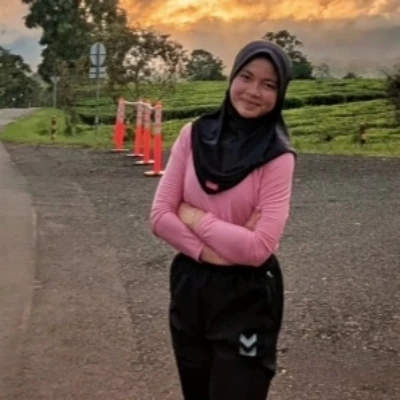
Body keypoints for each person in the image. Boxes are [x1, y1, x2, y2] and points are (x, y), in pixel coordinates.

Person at [149, 39, 296, 400]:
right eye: (246, 77)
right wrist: (212, 252)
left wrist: (193, 215)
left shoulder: (277, 156)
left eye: (268, 84)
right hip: (191, 286)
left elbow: (259, 248)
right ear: (232, 78)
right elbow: (160, 216)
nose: (253, 91)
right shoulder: (193, 135)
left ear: (280, 94)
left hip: (246, 296)